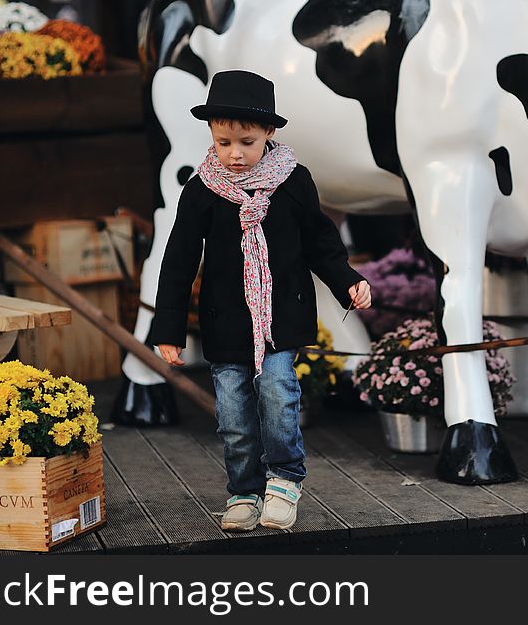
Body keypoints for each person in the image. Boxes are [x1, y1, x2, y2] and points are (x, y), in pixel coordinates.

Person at [150, 70, 371, 531]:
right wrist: (169, 330)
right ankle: (244, 491)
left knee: (278, 393)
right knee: (232, 416)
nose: (235, 154)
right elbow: (178, 260)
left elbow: (321, 241)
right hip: (225, 319)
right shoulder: (202, 190)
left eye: (246, 142)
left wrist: (346, 279)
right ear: (211, 132)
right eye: (225, 141)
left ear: (269, 133)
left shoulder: (293, 181)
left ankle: (285, 480)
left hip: (279, 317)